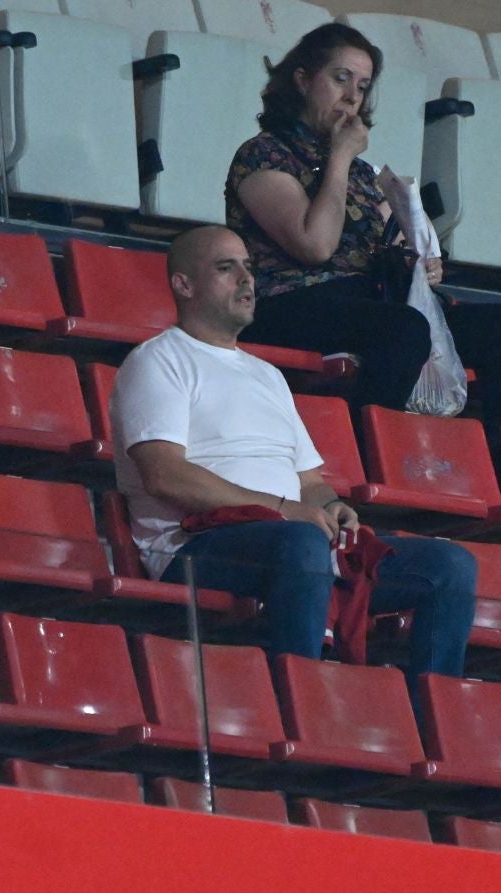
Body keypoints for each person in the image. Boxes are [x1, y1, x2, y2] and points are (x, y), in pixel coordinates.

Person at [112, 225, 477, 678]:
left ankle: (435, 718)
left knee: (450, 565)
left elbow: (309, 482)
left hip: (290, 542)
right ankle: (304, 694)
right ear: (183, 285)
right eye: (226, 269)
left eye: (249, 267)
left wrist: (333, 507)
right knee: (301, 542)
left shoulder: (267, 375)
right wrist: (287, 511)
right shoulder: (156, 361)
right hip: (195, 546)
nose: (247, 279)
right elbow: (165, 475)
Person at [225, 22, 501, 444]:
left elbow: (394, 241)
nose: (352, 97)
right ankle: (373, 454)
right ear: (303, 81)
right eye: (340, 79)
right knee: (403, 329)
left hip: (370, 302)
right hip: (289, 302)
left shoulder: (363, 174)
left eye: (362, 86)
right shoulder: (263, 154)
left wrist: (421, 264)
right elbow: (315, 245)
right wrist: (340, 157)